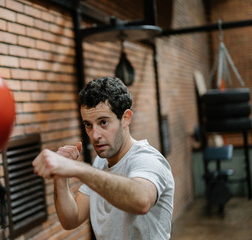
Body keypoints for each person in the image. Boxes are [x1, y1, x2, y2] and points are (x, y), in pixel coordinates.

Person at [32, 76, 175, 239]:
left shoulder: (148, 159)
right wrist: (60, 175)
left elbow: (141, 201)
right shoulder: (100, 162)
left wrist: (77, 168)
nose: (95, 135)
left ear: (126, 118)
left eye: (103, 122)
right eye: (88, 125)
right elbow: (71, 218)